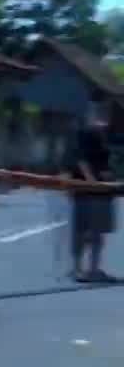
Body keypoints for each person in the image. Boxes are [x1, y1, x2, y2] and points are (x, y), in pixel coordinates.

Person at [64, 92, 117, 283]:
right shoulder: (86, 131)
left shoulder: (102, 133)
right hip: (88, 190)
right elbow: (81, 159)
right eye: (101, 109)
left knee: (96, 232)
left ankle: (93, 269)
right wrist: (91, 181)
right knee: (84, 231)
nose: (105, 113)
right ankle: (78, 269)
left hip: (101, 190)